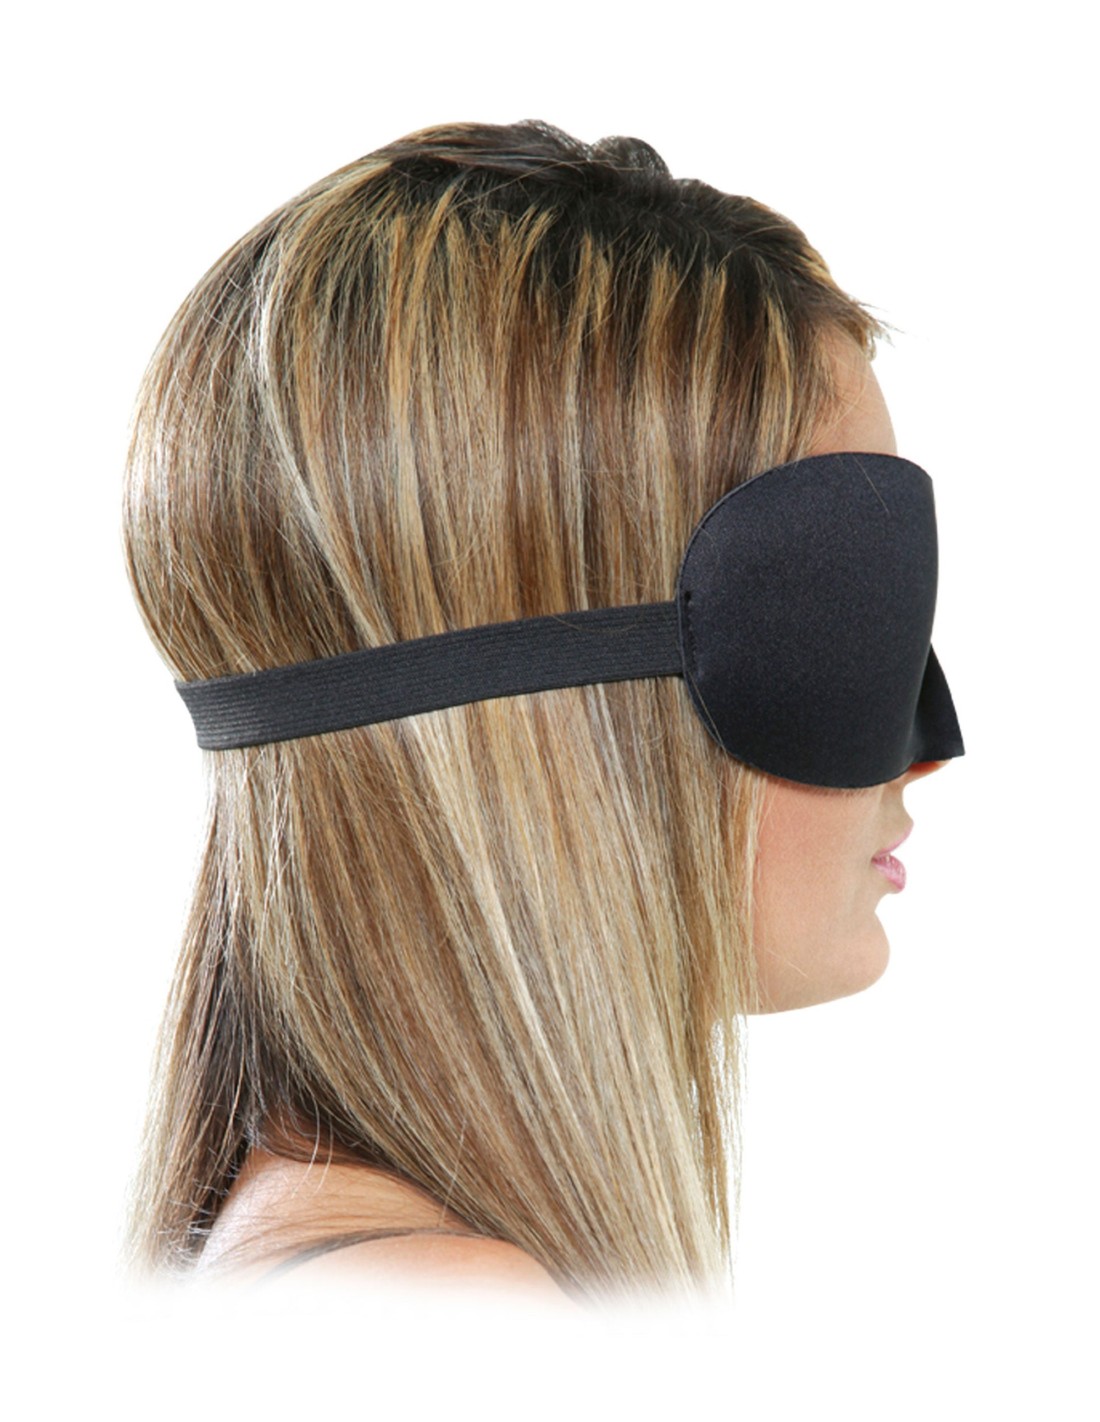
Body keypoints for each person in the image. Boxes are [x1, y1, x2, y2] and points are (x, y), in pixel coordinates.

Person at [120, 119, 962, 1305]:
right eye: (837, 613)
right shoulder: (446, 1318)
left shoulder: (337, 1270)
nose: (924, 753)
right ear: (576, 703)